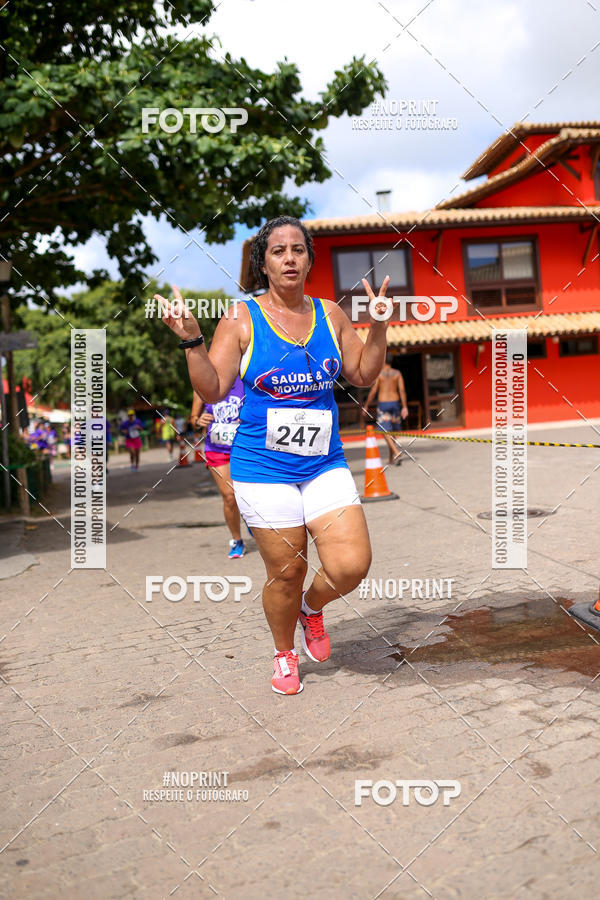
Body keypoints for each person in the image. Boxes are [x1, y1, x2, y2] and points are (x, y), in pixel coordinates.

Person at [156, 215, 392, 696]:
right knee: (287, 572)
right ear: (263, 263)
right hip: (262, 469)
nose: (289, 258)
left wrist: (380, 326)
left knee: (352, 565)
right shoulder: (240, 318)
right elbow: (214, 387)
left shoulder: (331, 314)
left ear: (309, 259)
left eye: (298, 250)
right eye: (278, 251)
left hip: (323, 462)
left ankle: (312, 609)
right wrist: (191, 341)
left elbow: (364, 373)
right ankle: (284, 653)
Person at [191, 376, 246, 559]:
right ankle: (237, 540)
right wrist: (199, 420)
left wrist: (247, 417)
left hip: (245, 446)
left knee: (247, 494)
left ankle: (252, 522)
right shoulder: (203, 383)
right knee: (229, 496)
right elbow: (193, 419)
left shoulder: (245, 375)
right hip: (217, 448)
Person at [363, 353, 408, 465]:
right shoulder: (397, 373)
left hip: (383, 404)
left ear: (383, 361)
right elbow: (402, 390)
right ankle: (391, 458)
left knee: (383, 430)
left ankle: (396, 452)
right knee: (391, 431)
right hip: (395, 403)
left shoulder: (379, 374)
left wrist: (366, 405)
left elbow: (373, 391)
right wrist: (404, 406)